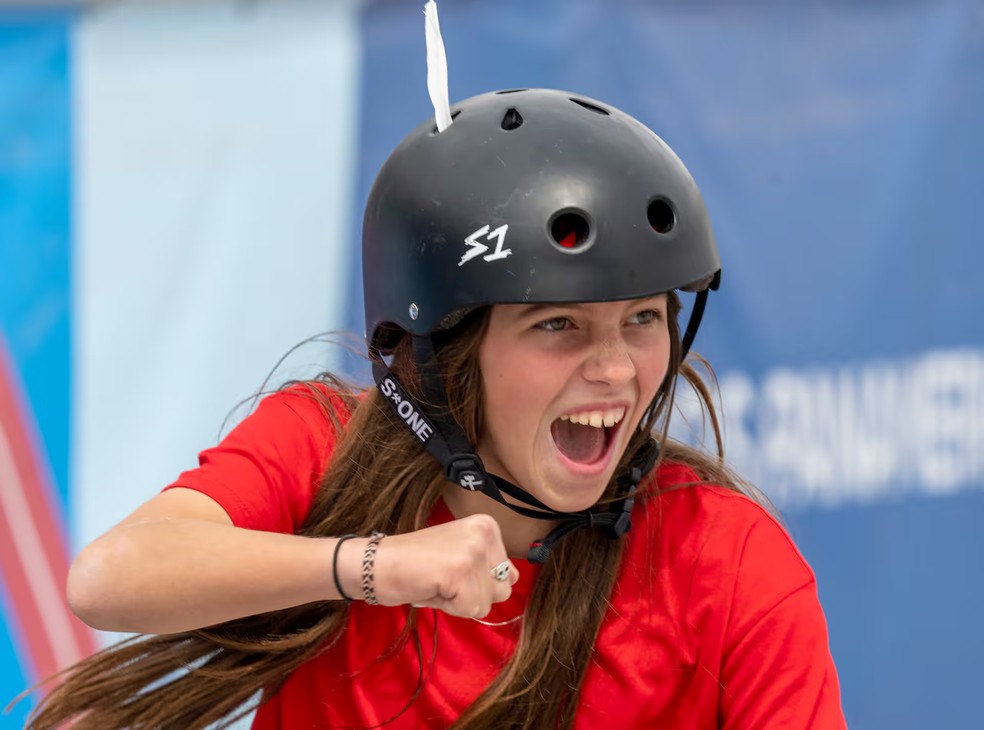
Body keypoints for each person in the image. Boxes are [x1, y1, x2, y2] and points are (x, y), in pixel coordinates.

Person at [24, 88, 845, 729]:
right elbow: (109, 579)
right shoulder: (323, 446)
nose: (616, 369)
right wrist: (376, 568)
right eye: (558, 324)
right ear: (445, 352)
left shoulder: (727, 559)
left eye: (641, 321)